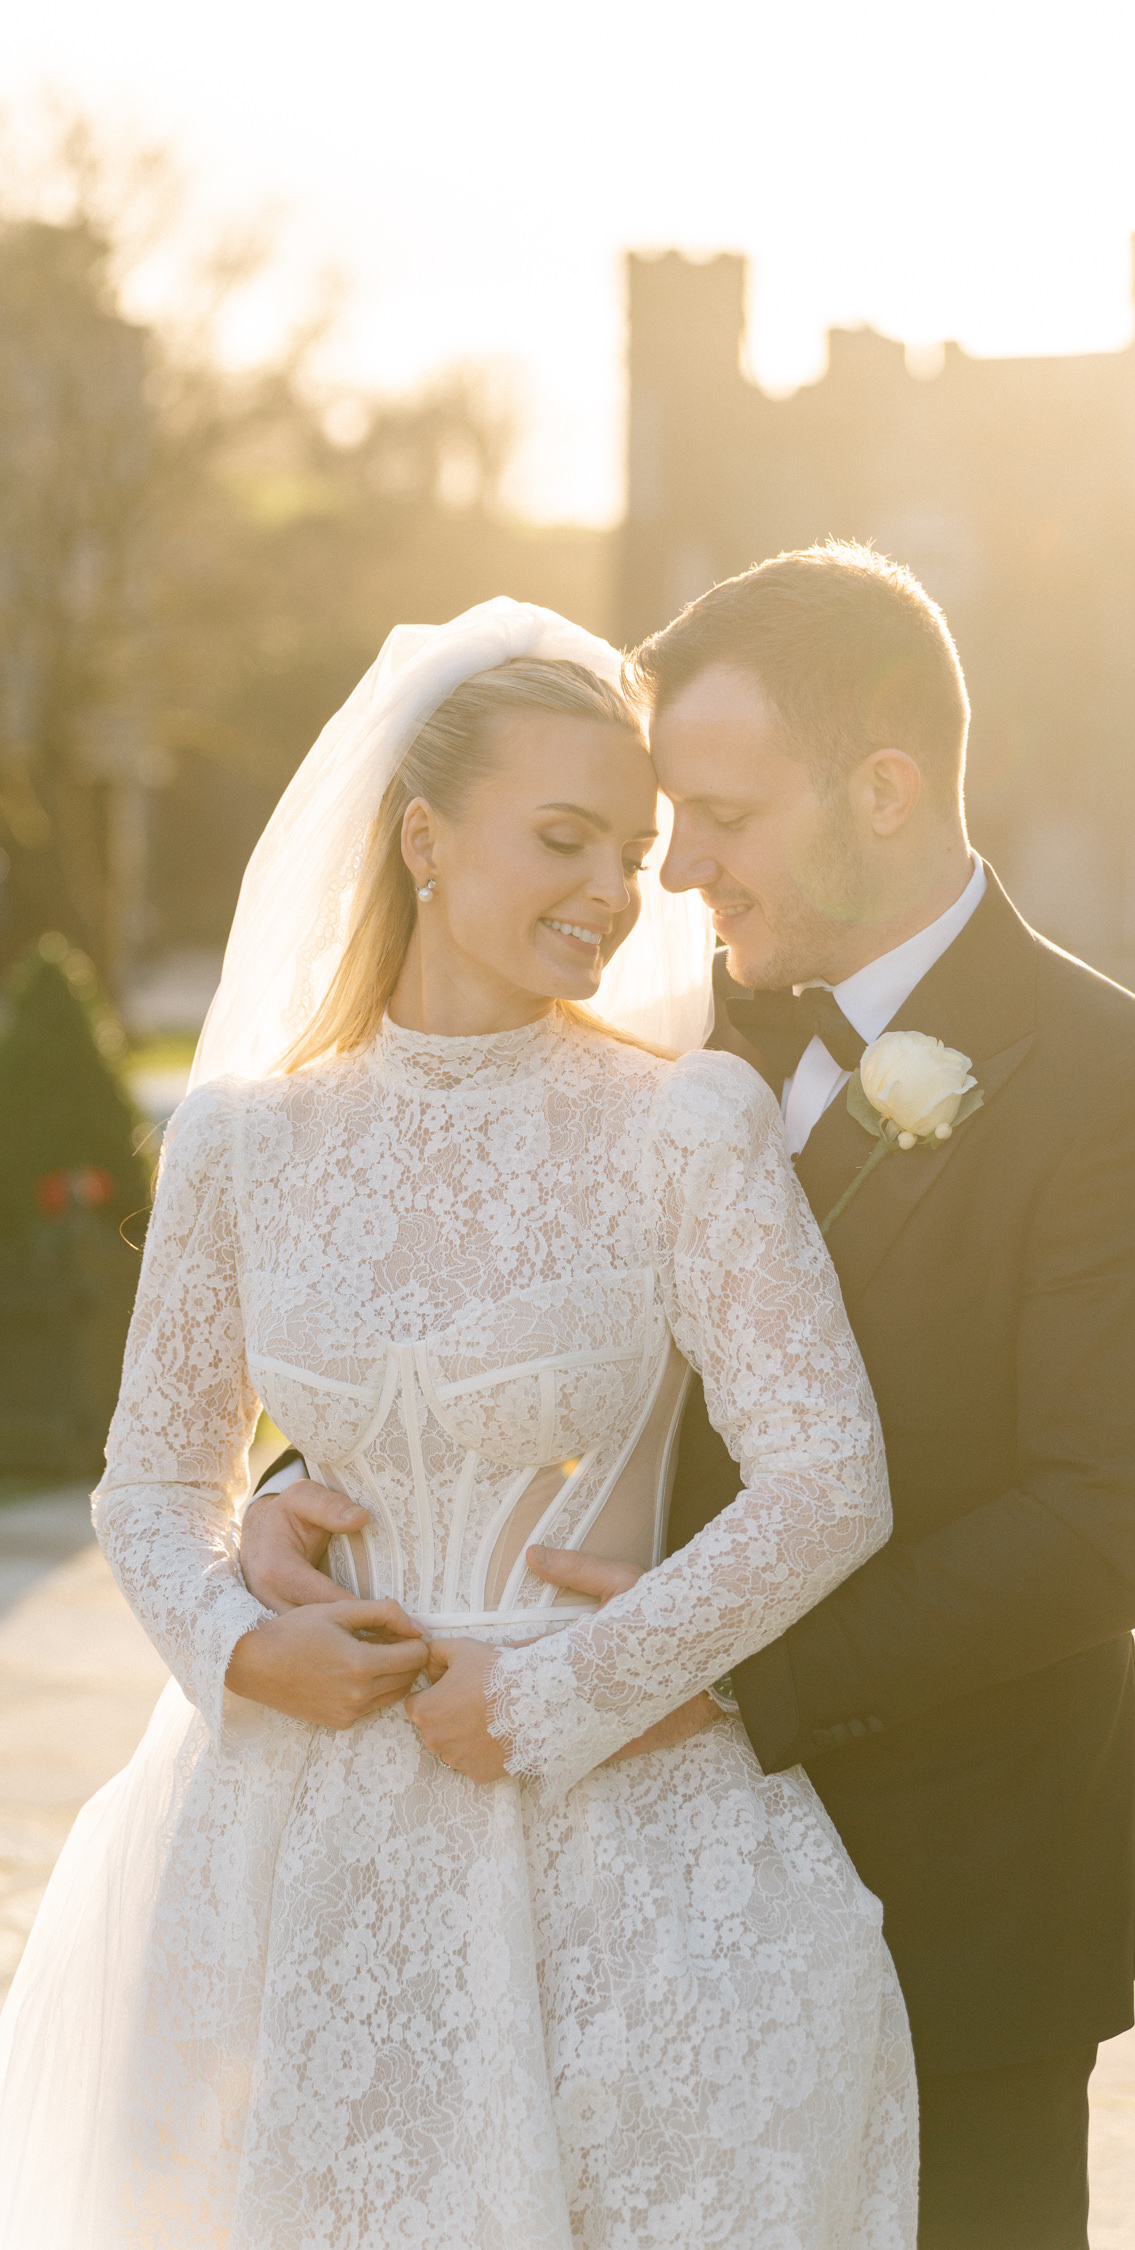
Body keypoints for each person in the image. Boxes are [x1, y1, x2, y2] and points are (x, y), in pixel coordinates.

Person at [245, 545, 1135, 2248]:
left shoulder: (1132, 1094)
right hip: (608, 1885)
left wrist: (688, 1683)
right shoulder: (653, 1022)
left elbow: (1107, 1528)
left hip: (949, 1874)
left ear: (884, 787)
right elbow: (445, 1267)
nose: (672, 869)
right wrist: (301, 1477)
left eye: (715, 816)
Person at [0, 598, 918, 2250]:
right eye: (562, 836)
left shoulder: (682, 1126)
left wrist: (566, 1692)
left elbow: (828, 1480)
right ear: (423, 834)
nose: (611, 890)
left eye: (632, 850)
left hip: (608, 1825)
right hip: (291, 1838)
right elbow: (152, 1482)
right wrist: (232, 1644)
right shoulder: (240, 1143)